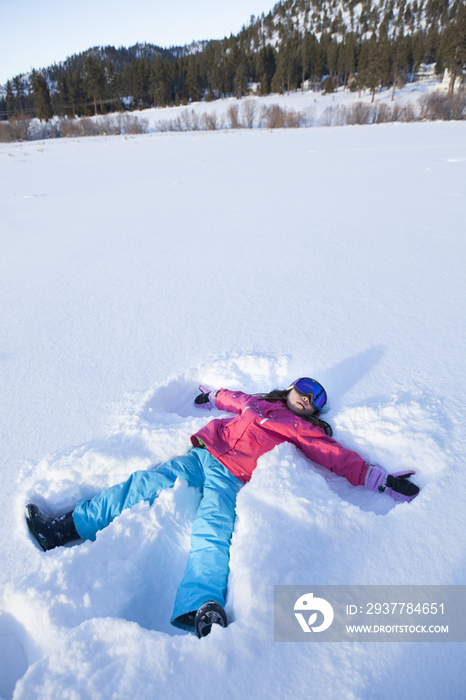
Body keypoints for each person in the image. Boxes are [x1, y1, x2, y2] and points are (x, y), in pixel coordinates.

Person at [25, 378, 419, 638]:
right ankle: (65, 528)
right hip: (203, 456)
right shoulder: (259, 402)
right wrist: (211, 394)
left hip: (230, 476)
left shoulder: (304, 430)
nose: (307, 396)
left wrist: (379, 479)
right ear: (291, 388)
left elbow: (337, 457)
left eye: (316, 398)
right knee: (140, 484)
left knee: (213, 526)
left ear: (314, 411)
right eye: (305, 387)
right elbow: (232, 398)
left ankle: (201, 605)